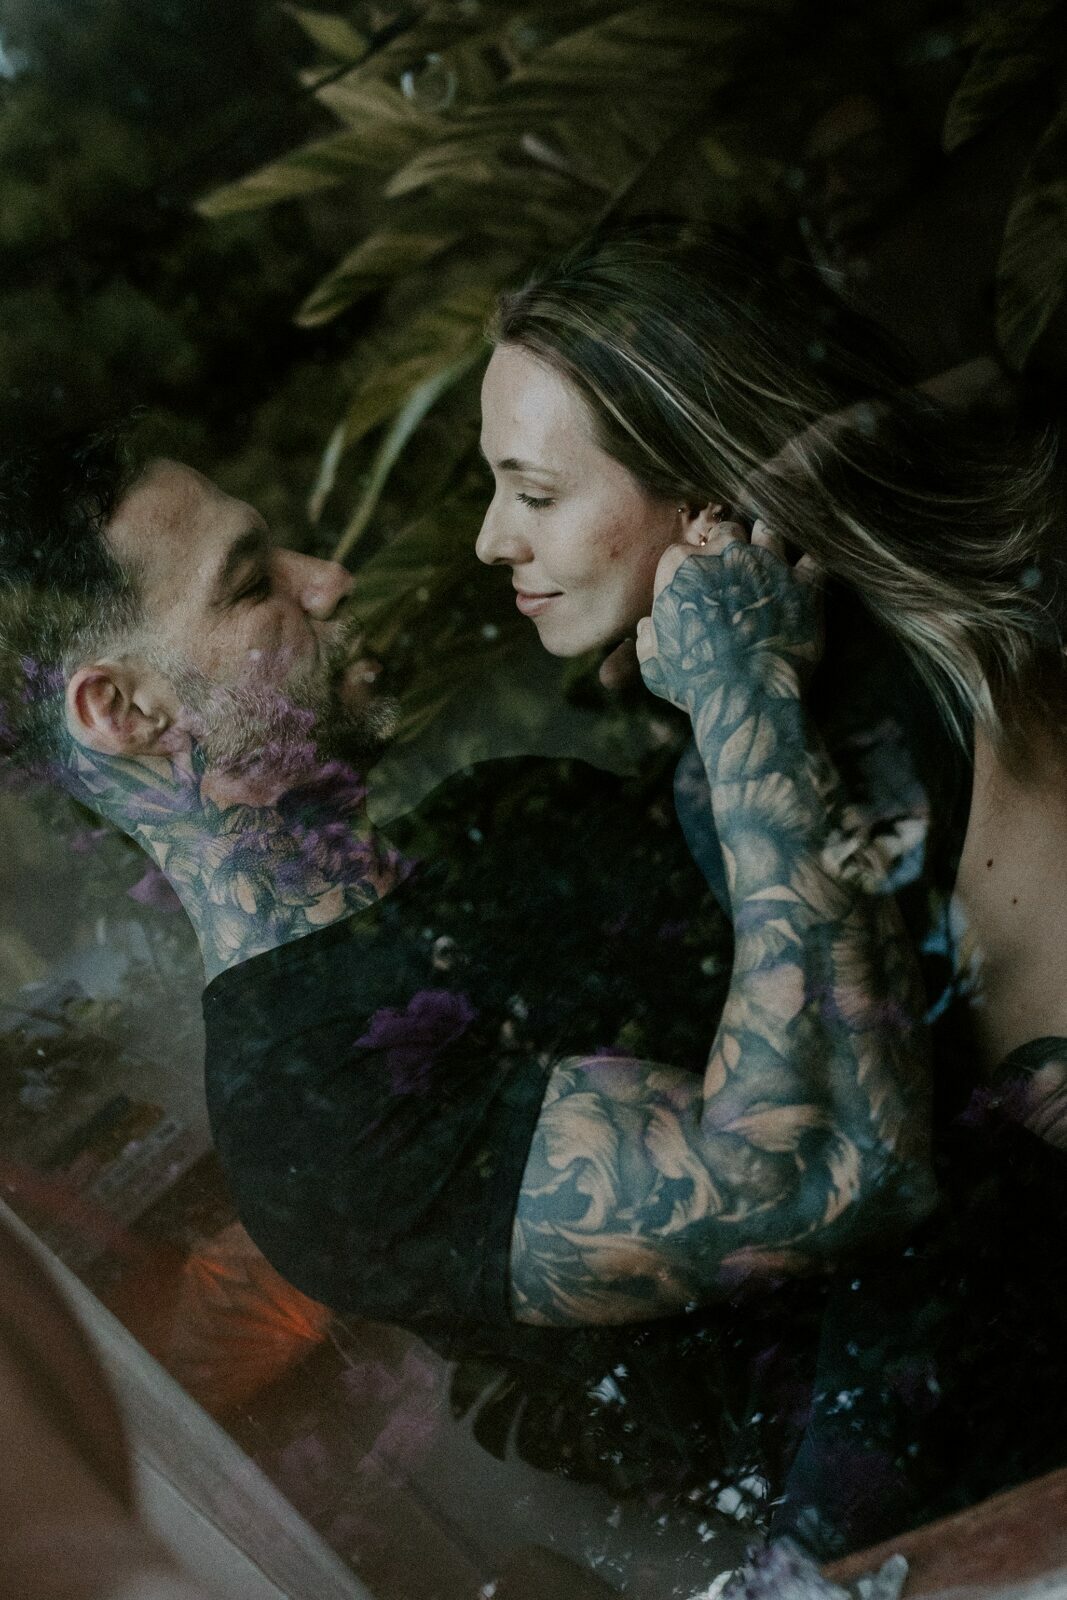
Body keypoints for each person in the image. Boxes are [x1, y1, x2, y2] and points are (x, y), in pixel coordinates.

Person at [0, 412, 933, 1563]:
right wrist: (743, 690)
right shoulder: (312, 1108)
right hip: (951, 1530)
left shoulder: (504, 817)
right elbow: (831, 1165)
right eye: (251, 584)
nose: (328, 578)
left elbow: (893, 968)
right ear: (128, 712)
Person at [474, 222, 1067, 1552]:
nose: (486, 539)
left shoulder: (829, 729)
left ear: (700, 497)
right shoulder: (909, 639)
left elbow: (894, 1159)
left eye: (532, 492)